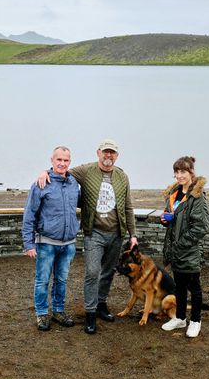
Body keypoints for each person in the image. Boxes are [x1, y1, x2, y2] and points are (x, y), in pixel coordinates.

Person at [38, 139, 138, 334]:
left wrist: (133, 234)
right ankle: (90, 313)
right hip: (95, 232)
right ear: (98, 153)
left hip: (117, 233)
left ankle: (101, 304)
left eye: (112, 153)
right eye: (105, 152)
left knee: (108, 272)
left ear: (116, 156)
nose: (108, 156)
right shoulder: (86, 171)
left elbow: (128, 206)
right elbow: (62, 170)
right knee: (92, 272)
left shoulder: (122, 176)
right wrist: (45, 172)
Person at [22, 146, 81, 331]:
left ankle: (58, 310)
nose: (62, 163)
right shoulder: (41, 184)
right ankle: (41, 314)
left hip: (68, 244)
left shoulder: (73, 183)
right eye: (59, 160)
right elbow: (29, 215)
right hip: (46, 243)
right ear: (52, 161)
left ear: (69, 162)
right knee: (42, 280)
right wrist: (28, 244)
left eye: (66, 160)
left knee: (61, 280)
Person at [159, 156, 209, 338]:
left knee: (193, 286)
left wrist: (180, 244)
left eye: (183, 172)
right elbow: (173, 219)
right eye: (177, 172)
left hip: (188, 251)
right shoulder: (175, 194)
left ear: (191, 173)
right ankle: (180, 318)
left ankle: (195, 320)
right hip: (175, 251)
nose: (179, 175)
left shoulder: (197, 197)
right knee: (178, 285)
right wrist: (165, 220)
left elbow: (201, 227)